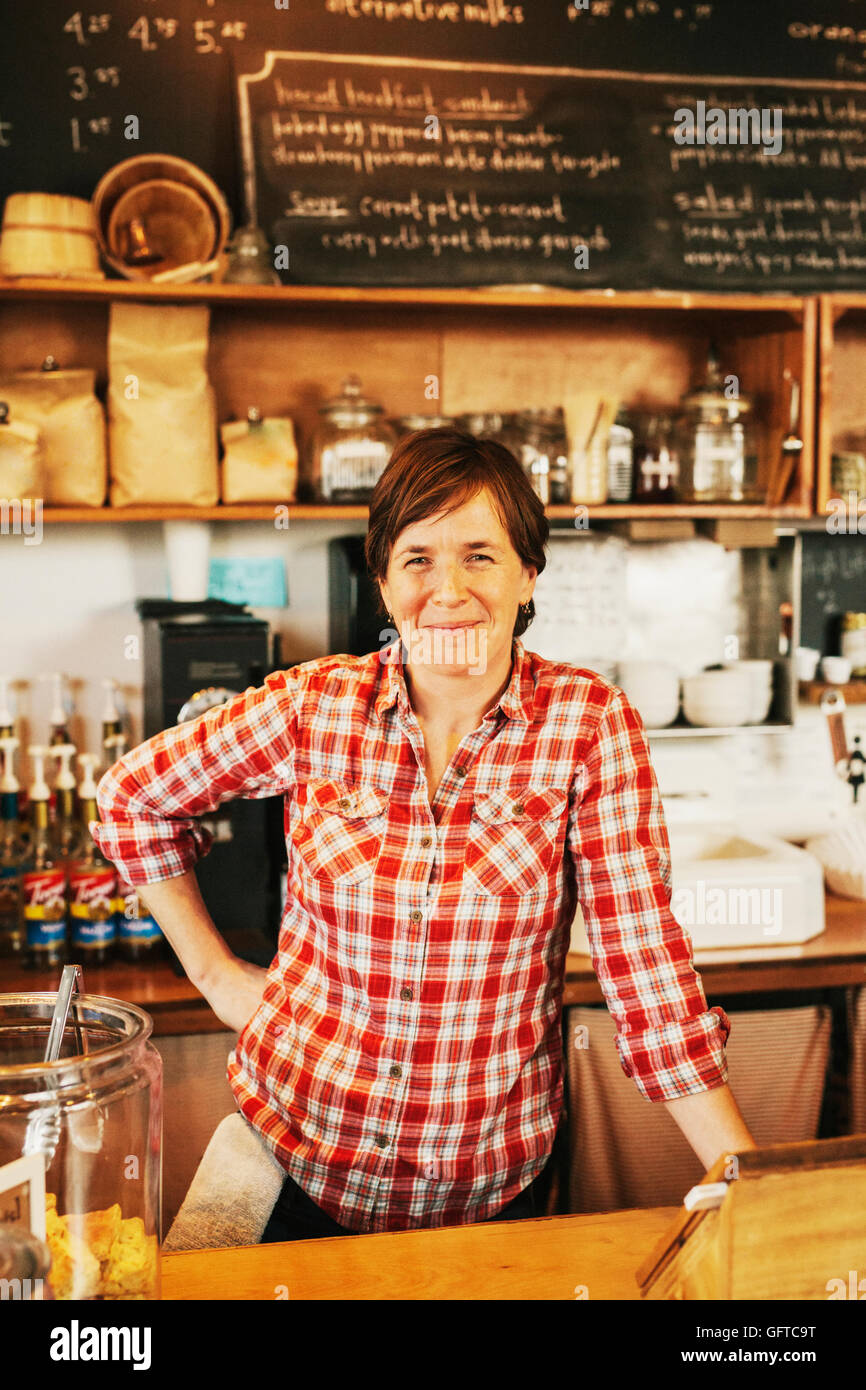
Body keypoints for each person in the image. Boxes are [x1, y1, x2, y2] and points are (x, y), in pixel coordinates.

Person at [92, 427, 756, 1241]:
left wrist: (741, 1181)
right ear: (382, 583)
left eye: (480, 555)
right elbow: (131, 797)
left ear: (527, 574)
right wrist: (218, 975)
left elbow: (645, 968)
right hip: (291, 1168)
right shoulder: (314, 706)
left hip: (492, 1190)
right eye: (417, 559)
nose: (448, 590)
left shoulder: (588, 725)